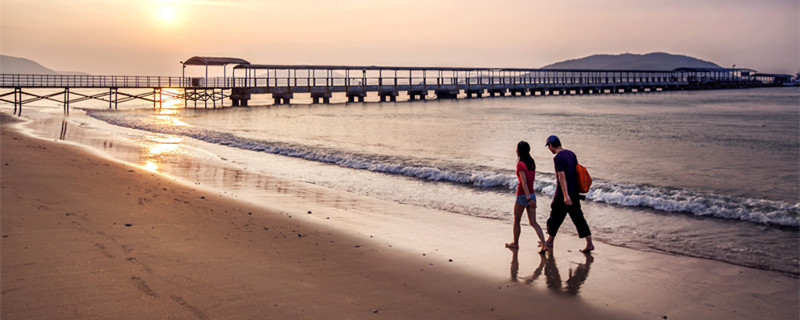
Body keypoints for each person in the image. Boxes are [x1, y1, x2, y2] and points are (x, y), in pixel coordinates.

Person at [544, 135, 594, 252]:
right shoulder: (571, 154)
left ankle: (550, 241)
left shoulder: (557, 158)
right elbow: (576, 172)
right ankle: (589, 243)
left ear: (551, 145)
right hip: (574, 192)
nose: (549, 149)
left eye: (548, 147)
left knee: (554, 218)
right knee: (578, 218)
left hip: (563, 195)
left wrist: (566, 195)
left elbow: (561, 176)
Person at [505, 141, 547, 253]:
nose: (515, 151)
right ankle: (544, 243)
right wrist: (531, 198)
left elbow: (523, 183)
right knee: (533, 222)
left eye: (517, 149)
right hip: (532, 193)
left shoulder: (520, 164)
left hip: (523, 195)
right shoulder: (532, 162)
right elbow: (530, 181)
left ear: (519, 151)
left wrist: (528, 199)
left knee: (517, 220)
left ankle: (515, 243)